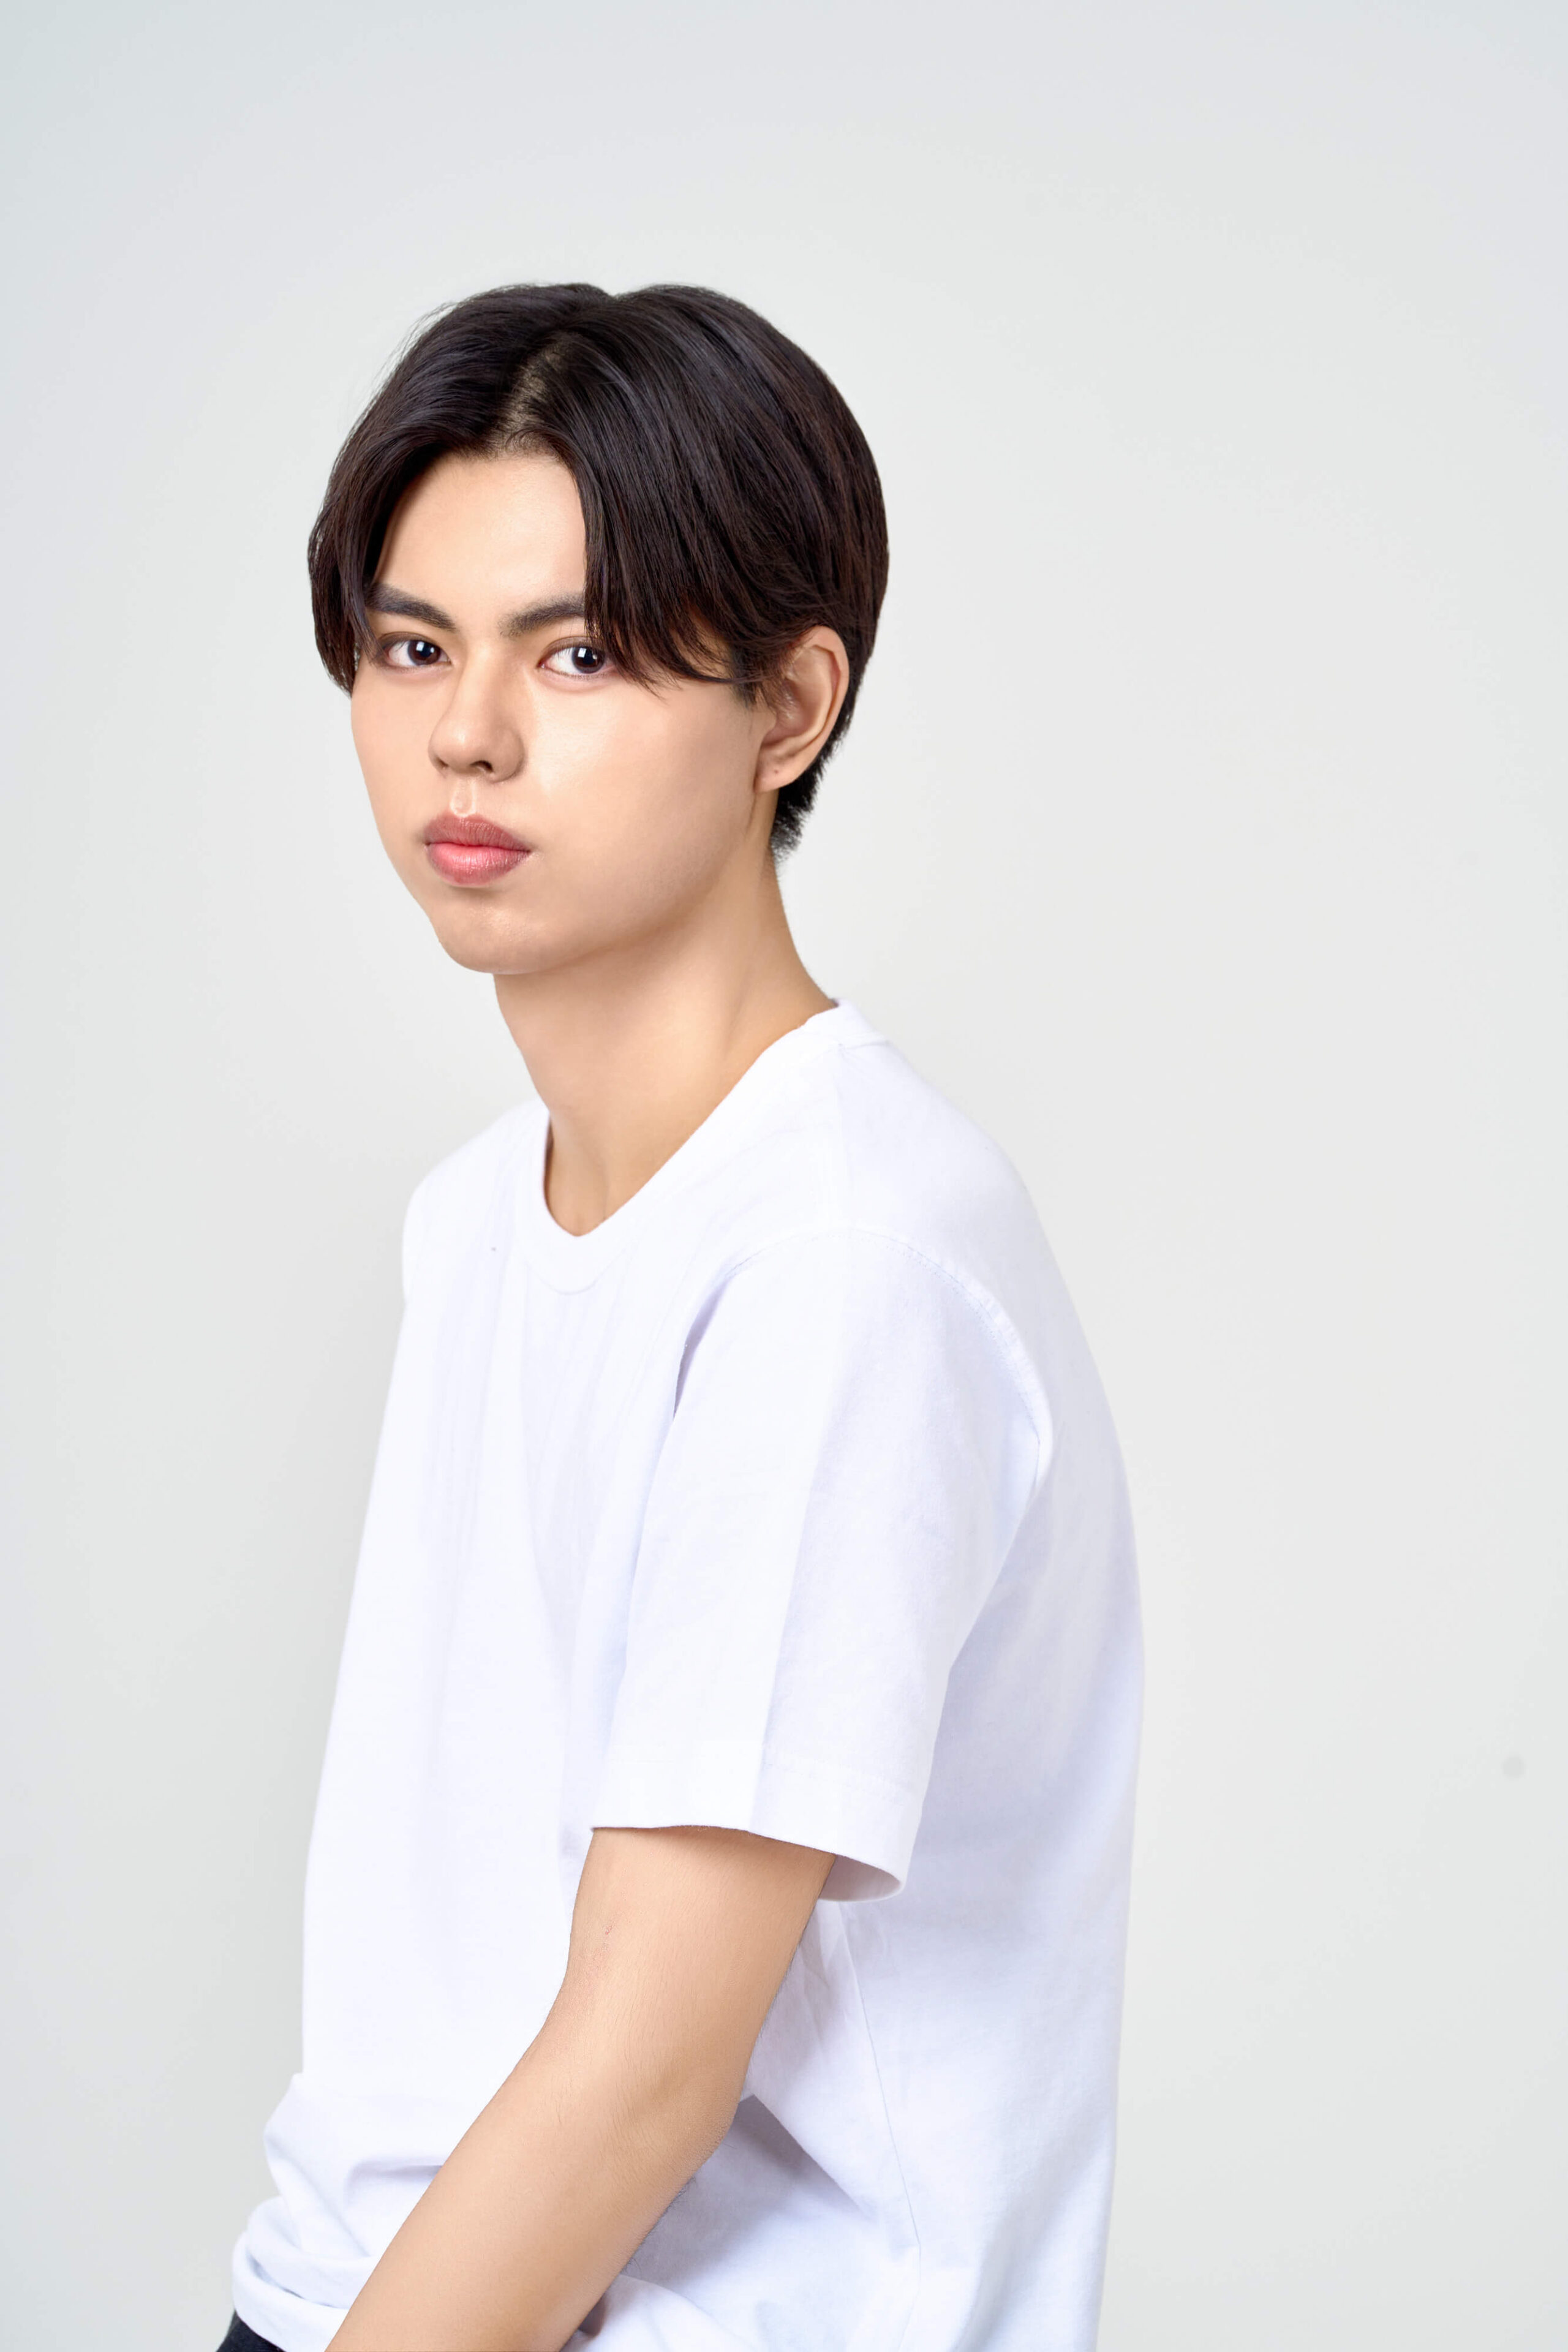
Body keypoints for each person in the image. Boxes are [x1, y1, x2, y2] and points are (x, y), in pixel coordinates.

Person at [222, 282, 1142, 2352]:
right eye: (413, 646)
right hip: (365, 2294)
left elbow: (646, 2071)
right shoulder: (482, 1218)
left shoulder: (841, 1256)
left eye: (578, 653)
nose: (470, 733)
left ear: (789, 708)